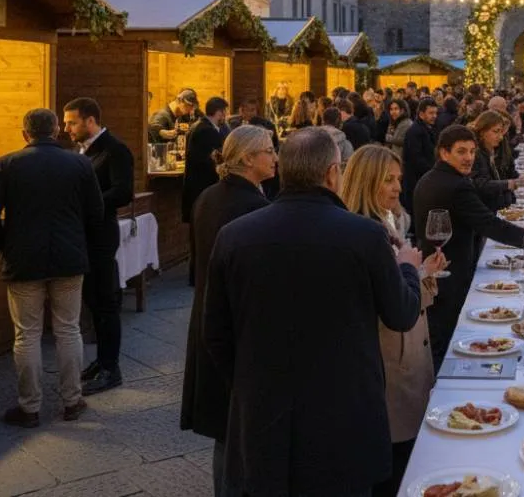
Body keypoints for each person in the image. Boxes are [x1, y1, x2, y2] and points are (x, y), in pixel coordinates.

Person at [203, 128, 422, 497]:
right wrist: (408, 269)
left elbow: (215, 334)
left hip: (265, 415)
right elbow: (401, 314)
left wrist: (253, 383)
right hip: (344, 417)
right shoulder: (364, 235)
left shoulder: (234, 236)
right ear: (332, 173)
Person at [0, 108, 103, 428]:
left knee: (27, 334)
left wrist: (3, 242)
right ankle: (72, 400)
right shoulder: (79, 163)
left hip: (24, 258)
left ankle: (29, 406)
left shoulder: (8, 164)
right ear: (57, 130)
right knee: (68, 329)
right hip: (69, 257)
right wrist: (78, 240)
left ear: (25, 134)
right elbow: (96, 212)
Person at [340, 146, 449, 497]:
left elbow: (401, 291)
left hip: (407, 358)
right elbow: (390, 305)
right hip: (392, 364)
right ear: (366, 181)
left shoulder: (386, 224)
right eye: (388, 180)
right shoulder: (364, 232)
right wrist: (409, 269)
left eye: (398, 179)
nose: (397, 187)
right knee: (397, 467)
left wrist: (421, 271)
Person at [180, 125, 276, 494]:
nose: (275, 157)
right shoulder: (253, 208)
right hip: (235, 330)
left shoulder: (208, 197)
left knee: (225, 429)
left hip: (209, 319)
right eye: (268, 151)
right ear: (248, 158)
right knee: (238, 429)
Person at [412, 125, 524, 367]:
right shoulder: (457, 185)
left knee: (439, 338)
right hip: (451, 274)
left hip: (434, 274)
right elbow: (490, 225)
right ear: (444, 153)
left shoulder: (428, 179)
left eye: (472, 151)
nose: (469, 158)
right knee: (449, 341)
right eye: (461, 152)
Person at [62, 97, 135, 396]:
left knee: (105, 302)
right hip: (84, 234)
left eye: (72, 123)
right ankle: (101, 360)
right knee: (93, 300)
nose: (66, 129)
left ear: (90, 121)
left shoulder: (115, 149)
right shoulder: (81, 150)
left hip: (102, 235)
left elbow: (123, 192)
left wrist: (88, 204)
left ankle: (110, 367)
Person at [183, 97, 229, 286]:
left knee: (198, 235)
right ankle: (199, 275)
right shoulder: (208, 131)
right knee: (204, 235)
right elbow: (215, 160)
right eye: (224, 112)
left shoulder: (197, 127)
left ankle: (196, 274)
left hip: (195, 188)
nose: (225, 116)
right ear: (218, 112)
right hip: (202, 188)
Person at [469, 110, 522, 212]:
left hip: (500, 208)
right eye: (496, 131)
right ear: (482, 131)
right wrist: (507, 184)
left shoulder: (491, 150)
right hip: (487, 212)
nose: (501, 137)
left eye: (501, 132)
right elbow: (479, 185)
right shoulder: (476, 153)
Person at [402, 97, 439, 213]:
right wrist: (433, 171)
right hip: (416, 181)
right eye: (431, 113)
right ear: (421, 114)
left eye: (435, 113)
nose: (434, 116)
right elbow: (416, 159)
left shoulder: (427, 129)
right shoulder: (415, 131)